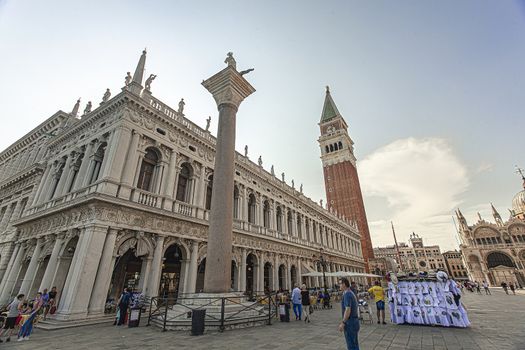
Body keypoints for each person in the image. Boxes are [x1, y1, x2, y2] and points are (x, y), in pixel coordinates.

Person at [338, 278, 360, 350]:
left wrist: (343, 322)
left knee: (351, 345)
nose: (339, 286)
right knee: (354, 344)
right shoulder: (350, 292)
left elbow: (348, 309)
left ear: (344, 284)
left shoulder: (347, 294)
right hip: (354, 321)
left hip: (350, 322)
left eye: (340, 284)